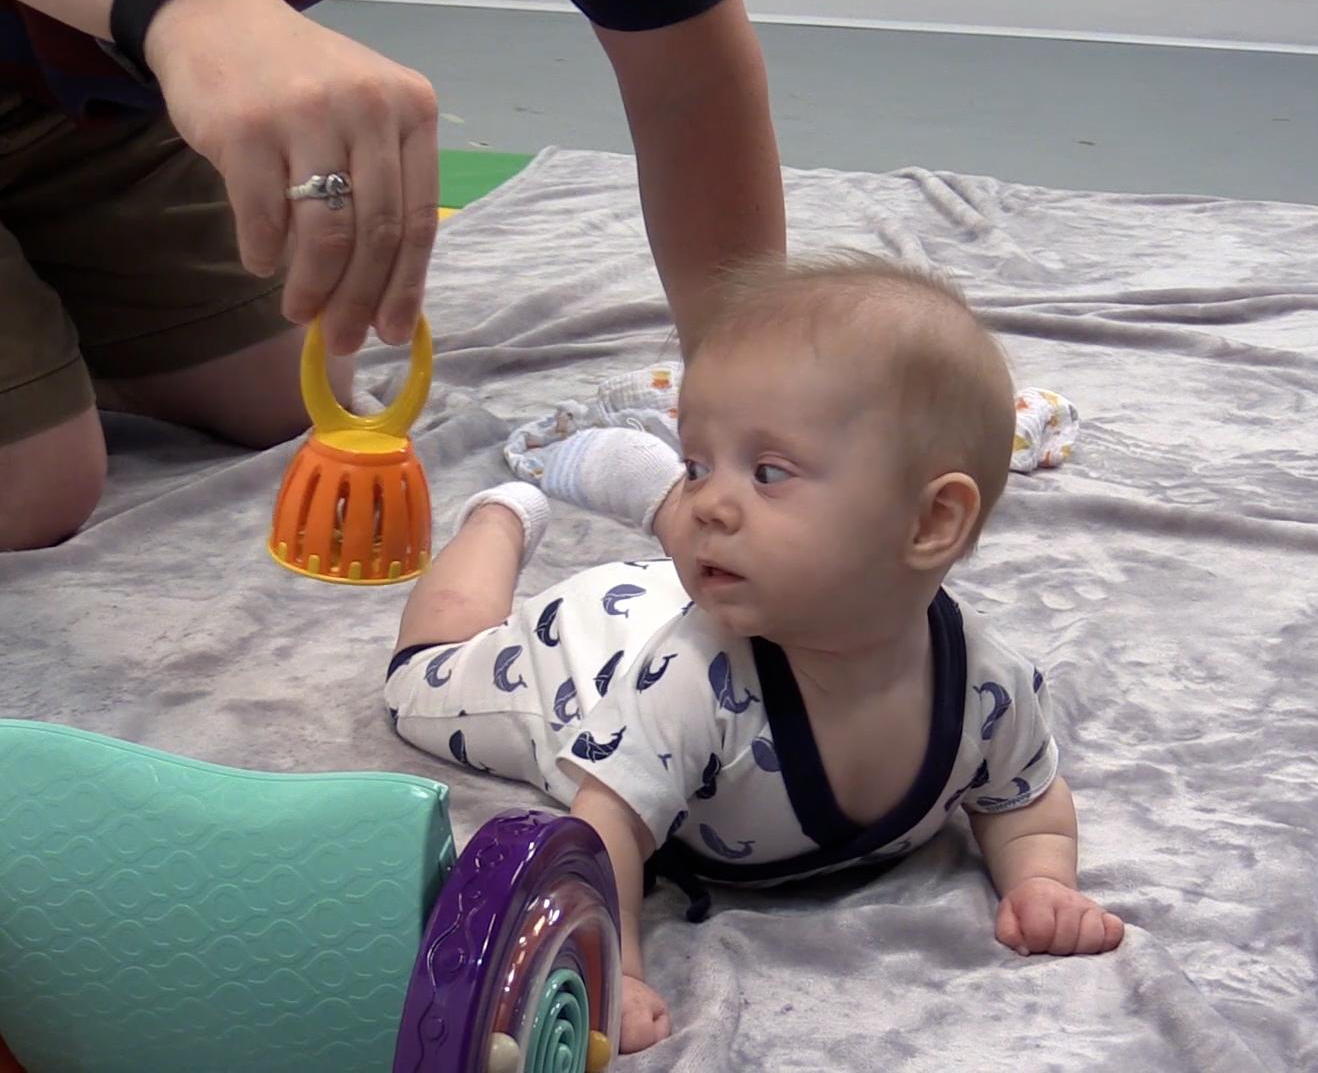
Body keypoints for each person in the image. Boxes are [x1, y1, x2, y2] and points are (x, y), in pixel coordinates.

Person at [383, 253, 1125, 1055]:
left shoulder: (987, 688)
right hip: (583, 659)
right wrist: (617, 969)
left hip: (683, 599)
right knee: (423, 676)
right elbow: (606, 834)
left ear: (931, 523)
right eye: (697, 468)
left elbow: (1025, 803)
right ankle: (498, 523)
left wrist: (1043, 883)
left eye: (768, 471)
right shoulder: (697, 683)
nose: (709, 503)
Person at [0, 0, 784, 557]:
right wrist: (192, 9)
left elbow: (688, 79)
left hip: (77, 73)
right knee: (1, 489)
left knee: (295, 375)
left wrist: (756, 395)